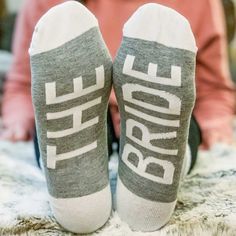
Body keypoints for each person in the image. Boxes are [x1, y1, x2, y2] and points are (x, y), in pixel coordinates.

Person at [1, 0, 235, 233]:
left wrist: (216, 123)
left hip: (159, 113)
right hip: (96, 109)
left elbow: (213, 88)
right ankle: (87, 194)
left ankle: (89, 197)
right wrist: (17, 119)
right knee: (59, 118)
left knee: (180, 125)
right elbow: (22, 83)